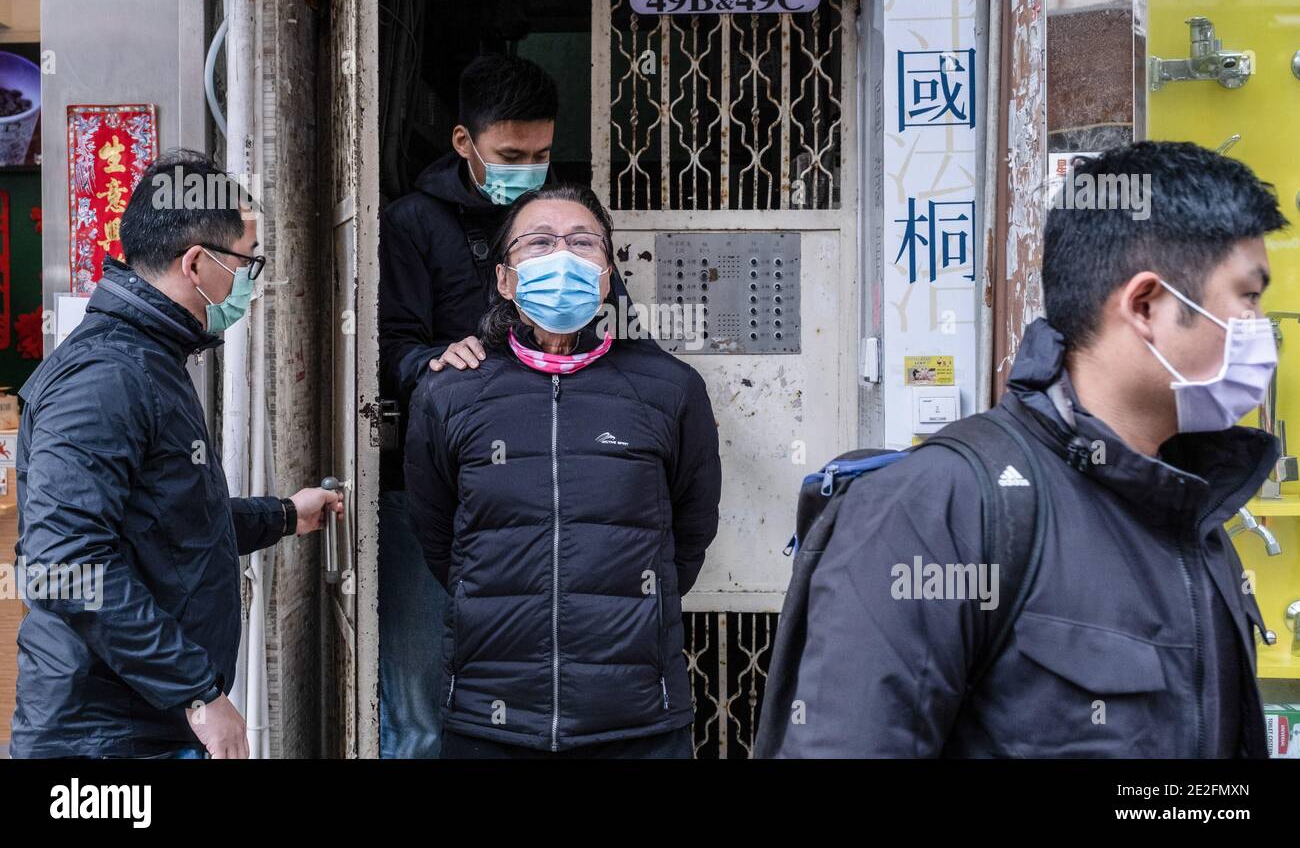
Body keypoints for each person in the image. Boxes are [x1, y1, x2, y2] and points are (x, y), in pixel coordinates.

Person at [763, 141, 1286, 757]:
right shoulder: (939, 509)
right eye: (1248, 298)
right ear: (1146, 305)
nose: (1261, 330)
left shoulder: (1190, 511)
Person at [11, 150, 342, 759]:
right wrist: (196, 691)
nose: (252, 282)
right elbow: (65, 562)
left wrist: (287, 516)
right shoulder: (108, 376)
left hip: (140, 719)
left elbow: (168, 525)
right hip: (106, 735)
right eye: (249, 262)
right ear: (196, 263)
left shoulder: (151, 359)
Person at [404, 184, 721, 758]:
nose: (563, 257)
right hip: (490, 717)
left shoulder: (670, 391)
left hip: (637, 721)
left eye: (582, 243)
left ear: (606, 276)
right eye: (539, 242)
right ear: (504, 279)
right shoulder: (449, 393)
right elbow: (441, 535)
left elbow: (689, 534)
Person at [377, 53, 559, 758]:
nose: (530, 170)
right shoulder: (412, 224)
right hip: (431, 492)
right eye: (510, 155)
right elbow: (388, 345)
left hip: (537, 490)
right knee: (420, 714)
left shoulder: (561, 221)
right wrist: (429, 360)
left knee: (522, 702)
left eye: (542, 154)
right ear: (464, 143)